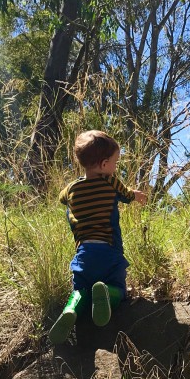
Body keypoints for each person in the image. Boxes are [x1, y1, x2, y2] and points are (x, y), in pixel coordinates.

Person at [48, 130, 147, 344]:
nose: (115, 166)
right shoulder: (110, 182)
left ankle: (72, 308)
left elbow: (61, 199)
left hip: (84, 253)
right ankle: (107, 292)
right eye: (114, 162)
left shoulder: (72, 188)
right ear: (104, 165)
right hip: (109, 251)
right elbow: (128, 195)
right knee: (120, 288)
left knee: (80, 289)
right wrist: (136, 195)